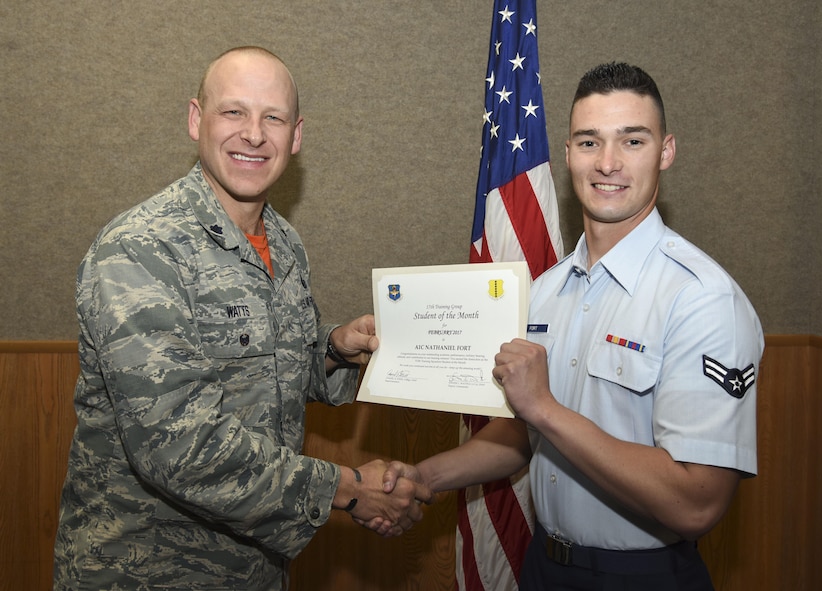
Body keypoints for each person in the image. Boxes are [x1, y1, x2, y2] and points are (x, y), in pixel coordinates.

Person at [54, 46, 431, 591]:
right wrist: (347, 488)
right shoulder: (140, 250)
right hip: (144, 571)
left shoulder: (284, 242)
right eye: (234, 112)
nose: (253, 134)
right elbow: (179, 446)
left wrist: (330, 351)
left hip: (255, 567)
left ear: (295, 137)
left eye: (272, 117)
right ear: (195, 120)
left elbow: (265, 372)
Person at [383, 63, 764, 590]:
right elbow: (527, 434)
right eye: (589, 142)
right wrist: (425, 477)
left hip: (643, 576)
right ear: (567, 155)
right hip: (543, 567)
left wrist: (544, 407)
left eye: (632, 140)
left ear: (666, 151)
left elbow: (696, 502)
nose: (608, 163)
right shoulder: (545, 291)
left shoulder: (700, 299)